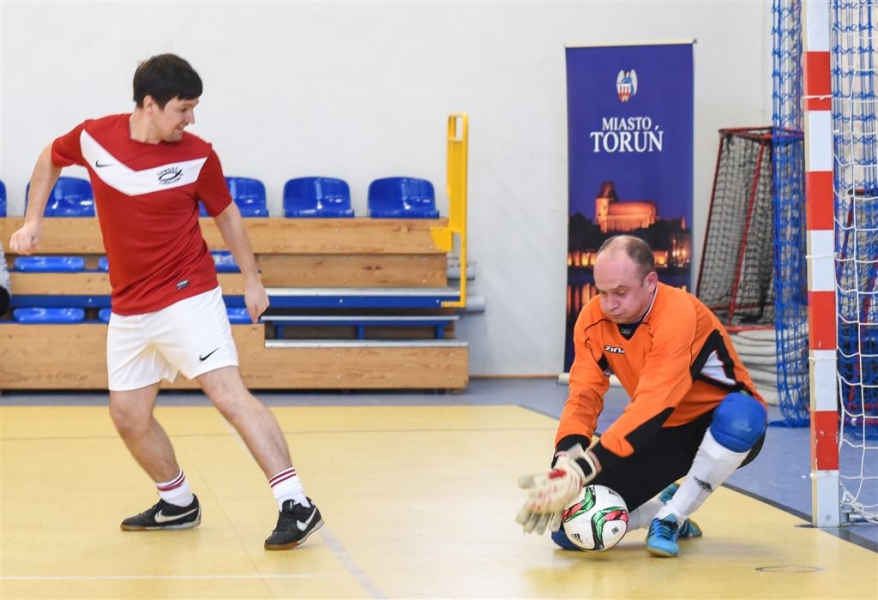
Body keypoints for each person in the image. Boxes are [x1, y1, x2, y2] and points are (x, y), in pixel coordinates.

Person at [9, 53, 323, 551]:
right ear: (150, 104)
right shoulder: (94, 138)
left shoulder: (198, 156)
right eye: (183, 108)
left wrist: (252, 279)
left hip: (186, 295)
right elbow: (50, 156)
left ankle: (296, 503)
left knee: (228, 394)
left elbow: (228, 216)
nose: (191, 119)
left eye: (194, 108)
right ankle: (177, 502)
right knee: (128, 415)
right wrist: (33, 220)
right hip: (130, 306)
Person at [516, 235, 767, 558]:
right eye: (602, 292)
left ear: (650, 282)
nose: (609, 304)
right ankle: (664, 506)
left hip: (720, 422)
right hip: (662, 431)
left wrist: (585, 467)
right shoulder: (593, 320)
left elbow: (653, 403)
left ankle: (673, 516)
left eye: (620, 292)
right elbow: (583, 395)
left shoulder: (677, 312)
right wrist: (565, 461)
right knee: (573, 531)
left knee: (743, 418)